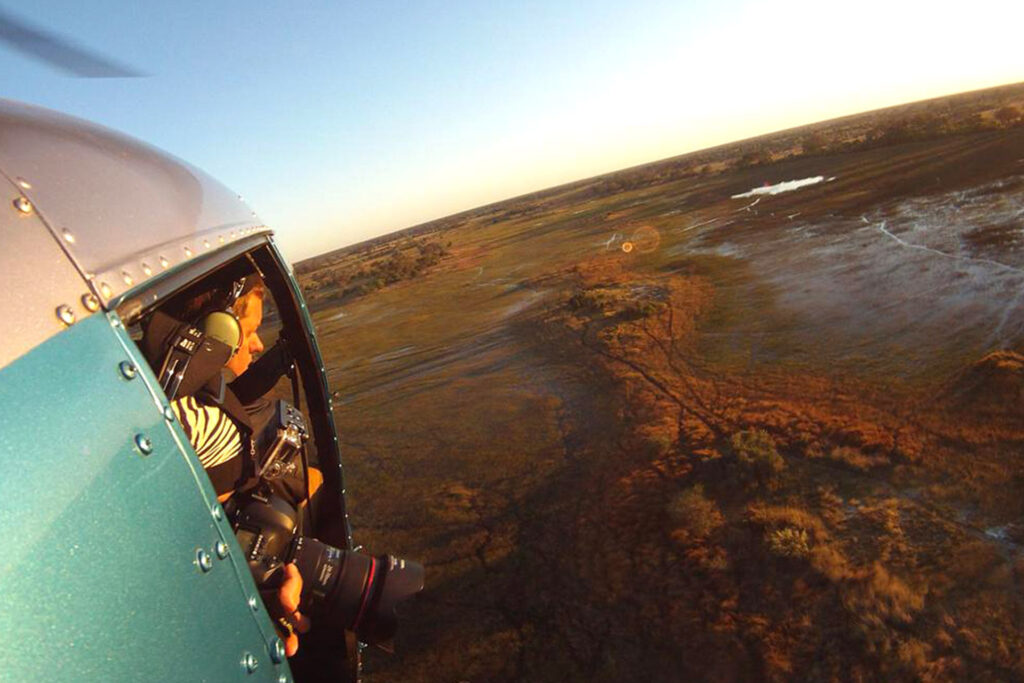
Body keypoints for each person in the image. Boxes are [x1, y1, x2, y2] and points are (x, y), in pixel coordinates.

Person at [150, 273, 319, 656]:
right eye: (250, 331)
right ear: (218, 332)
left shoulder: (164, 391)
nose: (257, 344)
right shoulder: (204, 424)